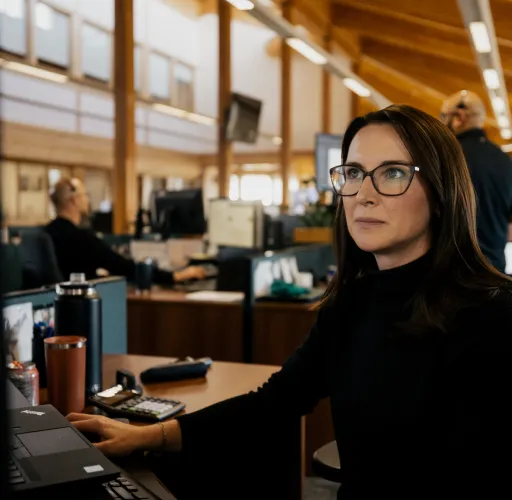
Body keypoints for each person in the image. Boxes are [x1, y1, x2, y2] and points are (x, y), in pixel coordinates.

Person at [68, 105, 512, 498]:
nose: (363, 193)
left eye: (393, 172)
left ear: (441, 191)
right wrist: (148, 436)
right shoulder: (351, 304)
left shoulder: (494, 312)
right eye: (353, 173)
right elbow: (273, 404)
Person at [45, 178, 206, 285]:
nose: (87, 200)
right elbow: (123, 267)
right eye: (85, 195)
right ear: (74, 200)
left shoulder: (46, 233)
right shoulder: (80, 239)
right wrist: (176, 276)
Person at [440, 90, 512, 272]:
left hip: (453, 273)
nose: (441, 122)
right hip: (494, 272)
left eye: (444, 116)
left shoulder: (447, 157)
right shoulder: (504, 160)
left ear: (459, 117)